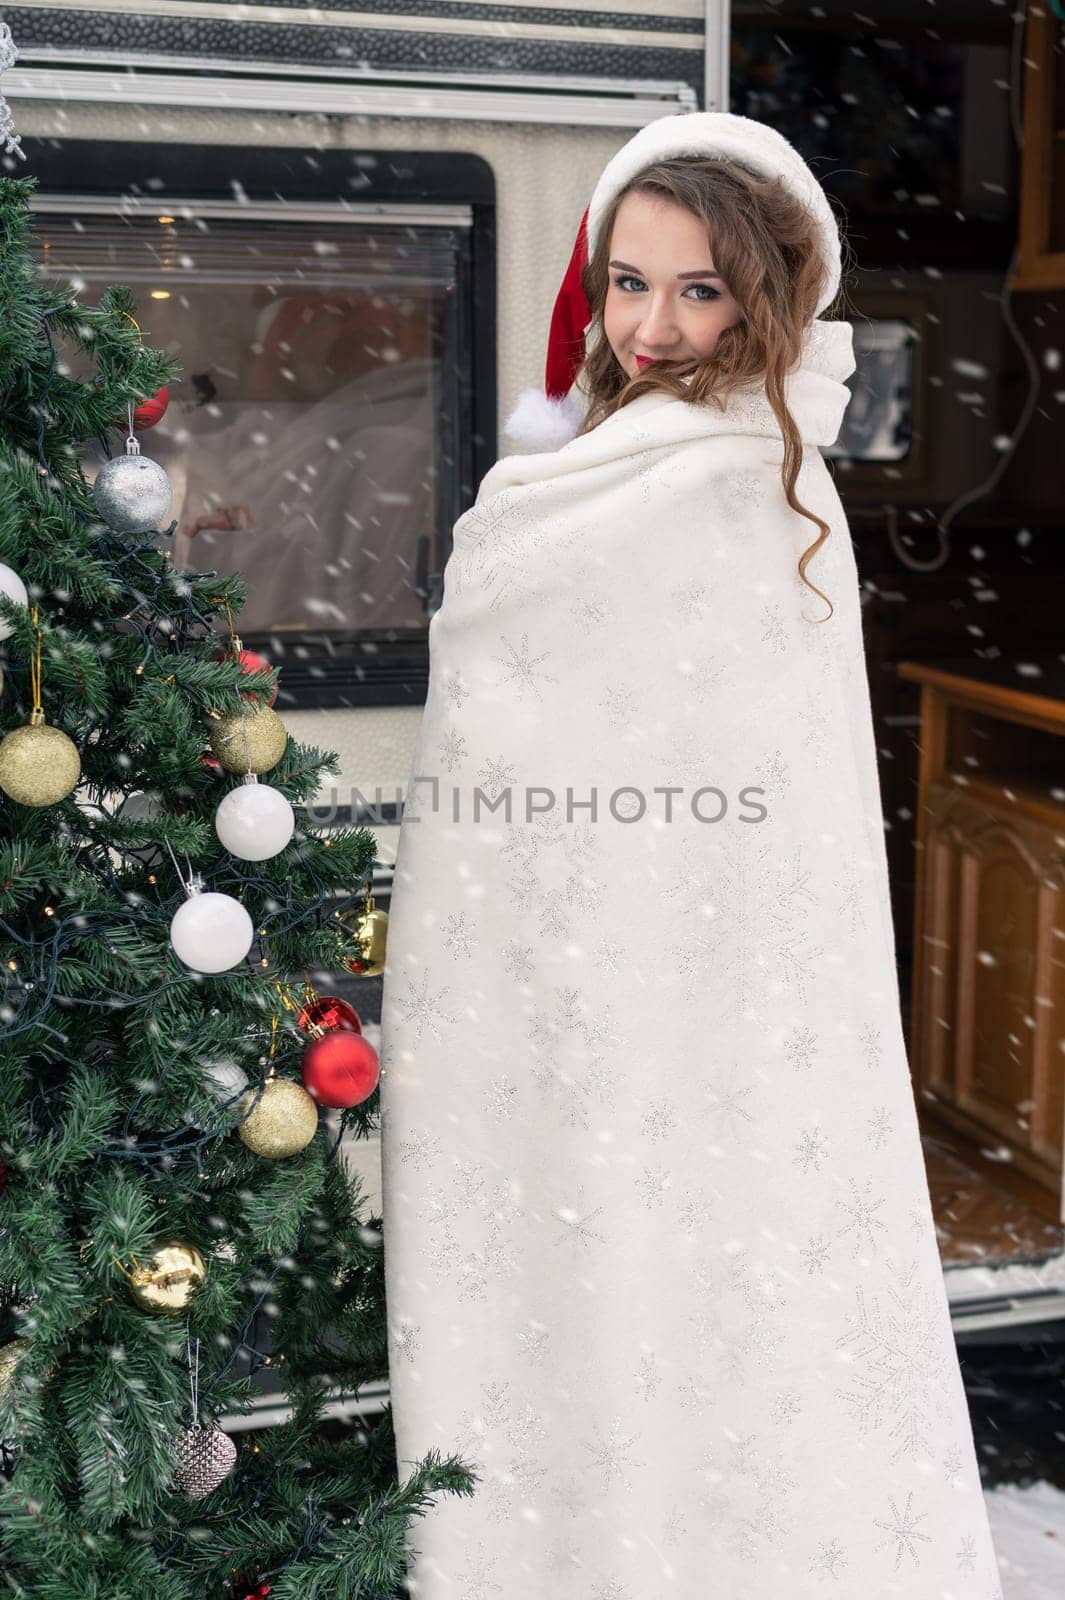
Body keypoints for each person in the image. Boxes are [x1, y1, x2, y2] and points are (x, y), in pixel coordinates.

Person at [378, 110, 1004, 1599]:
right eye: (627, 284)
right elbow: (516, 734)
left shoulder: (762, 489)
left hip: (714, 983)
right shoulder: (585, 469)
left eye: (698, 290)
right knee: (577, 1272)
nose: (653, 327)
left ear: (765, 295)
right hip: (556, 958)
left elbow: (753, 788)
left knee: (718, 1273)